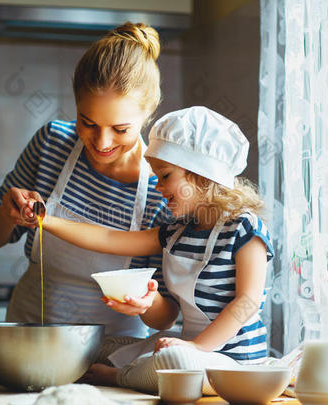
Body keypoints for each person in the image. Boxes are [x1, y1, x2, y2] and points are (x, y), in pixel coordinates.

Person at [40, 106, 275, 394]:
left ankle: (119, 377)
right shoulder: (177, 232)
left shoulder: (244, 229)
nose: (158, 186)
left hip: (234, 365)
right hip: (187, 349)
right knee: (96, 346)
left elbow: (248, 302)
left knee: (174, 359)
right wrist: (44, 220)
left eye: (165, 176)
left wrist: (196, 347)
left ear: (200, 174)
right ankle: (137, 369)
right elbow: (108, 238)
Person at [0, 22, 172, 350]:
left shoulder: (162, 187)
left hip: (112, 357)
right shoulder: (53, 144)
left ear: (147, 114)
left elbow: (166, 315)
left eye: (120, 129)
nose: (102, 142)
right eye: (88, 122)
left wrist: (146, 304)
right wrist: (8, 214)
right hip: (28, 340)